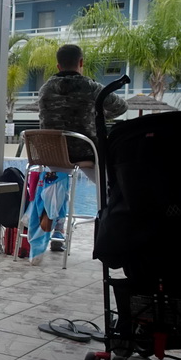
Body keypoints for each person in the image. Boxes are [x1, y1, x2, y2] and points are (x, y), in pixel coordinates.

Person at [37, 42, 127, 251]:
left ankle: (57, 226)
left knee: (59, 178)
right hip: (86, 153)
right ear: (81, 63)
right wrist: (100, 113)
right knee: (113, 185)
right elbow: (121, 106)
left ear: (58, 66)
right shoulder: (90, 87)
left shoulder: (45, 89)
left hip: (52, 155)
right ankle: (110, 228)